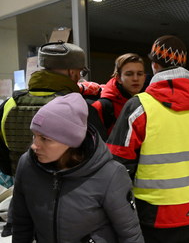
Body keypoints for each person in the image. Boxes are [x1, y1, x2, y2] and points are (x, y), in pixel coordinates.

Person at [107, 35, 189, 243]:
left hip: (154, 217)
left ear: (154, 65)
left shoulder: (140, 106)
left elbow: (117, 165)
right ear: (184, 64)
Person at [0, 42, 106, 237]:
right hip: (71, 207)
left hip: (24, 204)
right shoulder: (81, 109)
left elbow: (4, 162)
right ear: (73, 72)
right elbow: (101, 164)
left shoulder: (10, 104)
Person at [11, 93, 143, 242]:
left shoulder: (110, 174)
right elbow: (21, 224)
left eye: (45, 139)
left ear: (71, 142)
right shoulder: (27, 165)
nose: (34, 145)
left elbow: (130, 235)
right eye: (34, 135)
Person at [92, 53, 145, 134]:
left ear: (144, 77)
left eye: (140, 74)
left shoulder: (147, 103)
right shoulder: (103, 106)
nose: (135, 78)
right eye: (129, 74)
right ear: (118, 78)